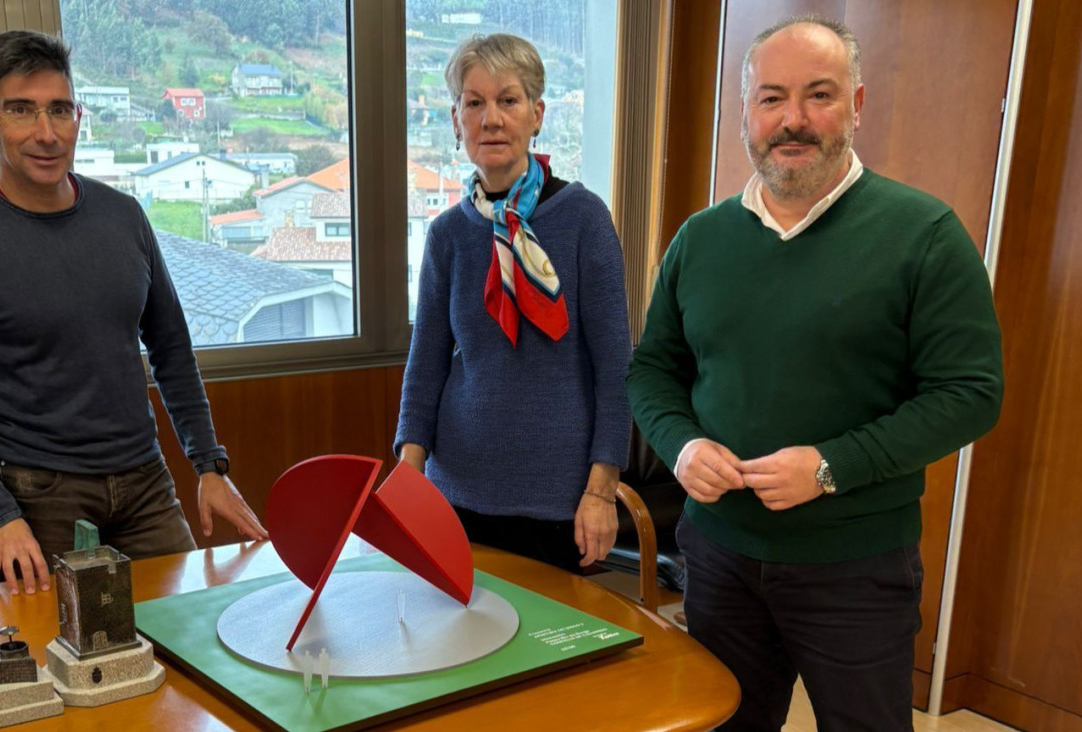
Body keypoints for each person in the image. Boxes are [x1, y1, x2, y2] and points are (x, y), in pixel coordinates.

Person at [627, 15, 1003, 731]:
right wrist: (681, 445)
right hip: (719, 555)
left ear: (856, 105)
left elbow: (970, 396)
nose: (792, 120)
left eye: (818, 95)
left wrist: (831, 467)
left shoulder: (924, 236)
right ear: (746, 111)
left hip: (856, 569)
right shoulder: (700, 239)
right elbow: (652, 370)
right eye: (771, 98)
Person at [0, 30, 266, 597]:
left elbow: (172, 350)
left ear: (78, 116)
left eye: (60, 110)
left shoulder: (124, 217)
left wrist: (209, 466)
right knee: (63, 649)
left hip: (146, 483)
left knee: (187, 627)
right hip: (38, 496)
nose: (46, 133)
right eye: (21, 111)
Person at [395, 33, 631, 572]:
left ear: (536, 115)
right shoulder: (448, 234)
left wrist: (601, 490)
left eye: (508, 100)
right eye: (474, 103)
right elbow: (426, 363)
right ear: (456, 120)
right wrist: (409, 473)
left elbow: (615, 367)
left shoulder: (584, 218)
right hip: (456, 492)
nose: (492, 119)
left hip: (560, 499)